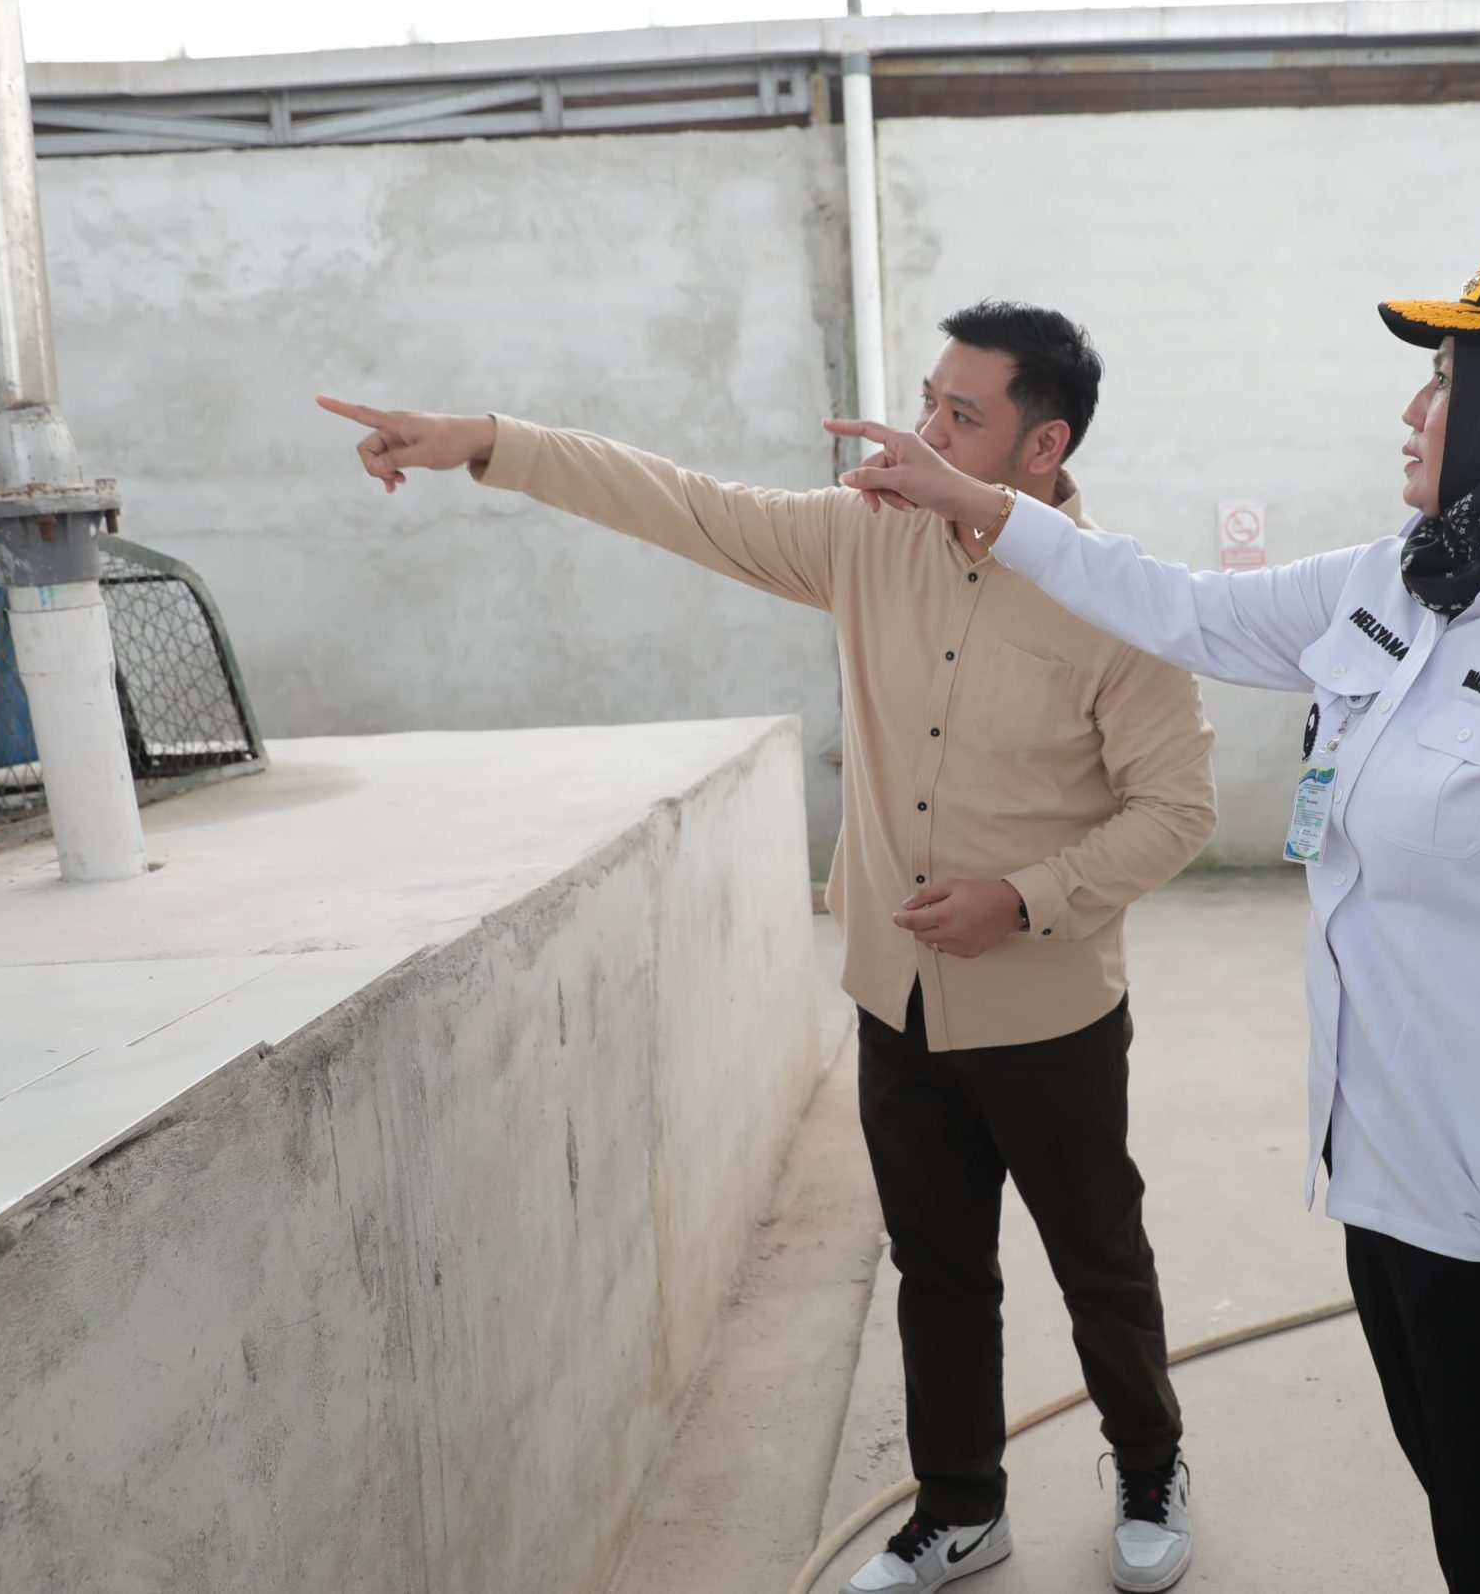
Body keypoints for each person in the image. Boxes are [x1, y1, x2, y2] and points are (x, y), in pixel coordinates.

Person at [835, 228, 1480, 1593]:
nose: (1413, 410)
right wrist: (987, 507)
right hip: (1392, 1189)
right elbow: (1179, 607)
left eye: (1448, 380)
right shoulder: (1408, 579)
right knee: (1479, 1539)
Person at [318, 300, 1216, 1594]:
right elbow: (682, 503)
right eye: (928, 399)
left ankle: (1150, 1464)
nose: (923, 431)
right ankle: (962, 1509)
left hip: (1048, 1013)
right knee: (936, 1270)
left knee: (1099, 1262)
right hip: (897, 1001)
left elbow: (1178, 808)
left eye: (961, 415)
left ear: (1043, 445)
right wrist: (483, 440)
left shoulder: (1118, 599)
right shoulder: (865, 538)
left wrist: (1022, 899)